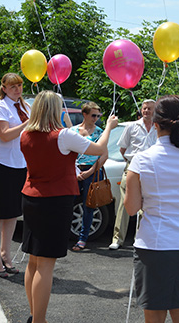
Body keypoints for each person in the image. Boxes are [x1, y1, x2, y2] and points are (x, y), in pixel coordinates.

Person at [20, 91, 116, 323]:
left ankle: (34, 316)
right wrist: (110, 127)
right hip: (55, 201)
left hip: (31, 197)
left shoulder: (25, 134)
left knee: (33, 260)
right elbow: (98, 149)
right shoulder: (62, 136)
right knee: (45, 264)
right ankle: (39, 320)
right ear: (54, 110)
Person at [125, 95, 179, 323]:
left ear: (156, 123)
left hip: (155, 244)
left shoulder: (141, 160)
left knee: (154, 315)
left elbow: (131, 208)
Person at [0, 73, 30, 278]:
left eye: (19, 85)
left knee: (12, 212)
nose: (17, 89)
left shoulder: (25, 107)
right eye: (13, 87)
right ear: (4, 88)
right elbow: (4, 135)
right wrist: (26, 125)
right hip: (1, 163)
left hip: (19, 163)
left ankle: (6, 254)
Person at [109, 99, 157, 250]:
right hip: (132, 168)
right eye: (144, 108)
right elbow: (123, 149)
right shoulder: (131, 127)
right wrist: (131, 163)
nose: (146, 111)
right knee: (125, 203)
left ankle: (140, 239)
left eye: (149, 109)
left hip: (151, 170)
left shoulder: (159, 127)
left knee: (147, 205)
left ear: (155, 111)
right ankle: (117, 239)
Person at [71, 101, 104, 252]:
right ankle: (63, 234)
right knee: (67, 202)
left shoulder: (100, 132)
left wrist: (90, 171)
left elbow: (104, 155)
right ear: (84, 114)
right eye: (93, 115)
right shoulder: (72, 131)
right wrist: (75, 171)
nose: (96, 118)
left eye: (98, 115)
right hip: (74, 171)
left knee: (88, 205)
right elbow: (67, 152)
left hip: (93, 171)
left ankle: (83, 238)